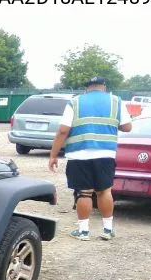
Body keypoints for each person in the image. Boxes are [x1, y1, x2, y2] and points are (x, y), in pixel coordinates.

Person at [48, 76, 132, 241]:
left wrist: (53, 155)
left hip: (79, 154)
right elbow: (127, 127)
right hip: (105, 153)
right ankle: (107, 230)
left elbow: (63, 130)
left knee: (83, 193)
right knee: (104, 191)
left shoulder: (76, 102)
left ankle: (84, 232)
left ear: (86, 88)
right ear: (104, 87)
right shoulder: (116, 101)